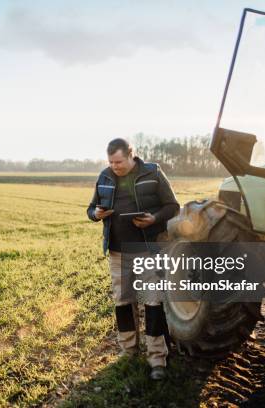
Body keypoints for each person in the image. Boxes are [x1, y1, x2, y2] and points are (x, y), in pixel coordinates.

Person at [87, 138, 180, 380]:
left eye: (118, 161)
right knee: (123, 303)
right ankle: (128, 351)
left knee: (152, 302)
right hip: (118, 253)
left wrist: (154, 218)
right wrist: (96, 214)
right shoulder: (105, 177)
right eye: (111, 162)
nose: (115, 166)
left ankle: (157, 358)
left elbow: (173, 206)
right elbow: (91, 209)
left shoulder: (153, 172)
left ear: (131, 155)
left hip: (148, 251)